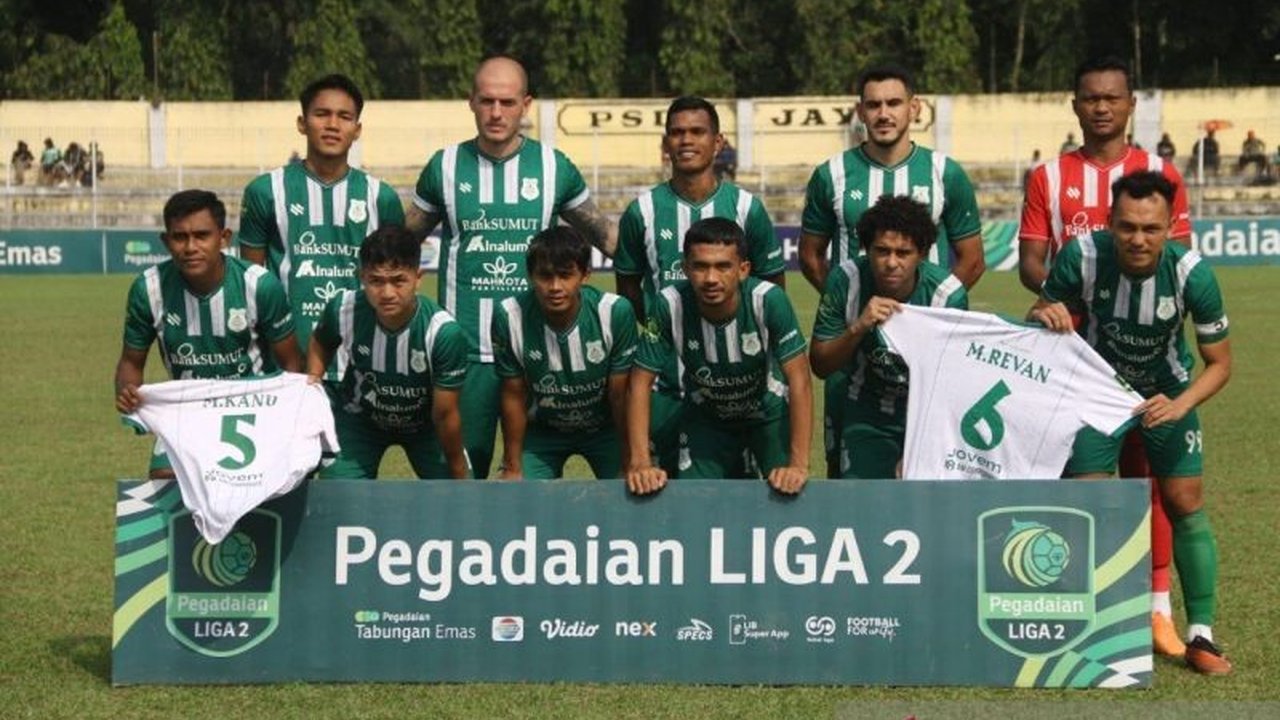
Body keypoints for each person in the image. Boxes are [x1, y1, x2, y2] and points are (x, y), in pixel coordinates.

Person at [1018, 55, 1192, 659]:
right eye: (1090, 97)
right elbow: (1031, 262)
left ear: (1130, 104)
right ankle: (1085, 604)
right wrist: (1067, 293)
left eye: (1112, 98)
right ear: (1075, 104)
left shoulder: (1160, 173)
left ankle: (1158, 610)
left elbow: (1178, 263)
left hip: (1146, 360)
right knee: (1081, 480)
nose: (1101, 107)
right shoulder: (1048, 177)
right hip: (1076, 357)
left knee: (1151, 482)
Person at [1028, 171, 1234, 676]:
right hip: (1099, 392)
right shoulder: (1081, 256)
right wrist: (1046, 314)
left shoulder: (1192, 275)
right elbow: (1039, 311)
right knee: (1087, 502)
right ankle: (1089, 625)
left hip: (1167, 394)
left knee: (1184, 502)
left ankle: (1201, 635)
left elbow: (1220, 364)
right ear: (1110, 223)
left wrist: (1181, 405)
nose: (1138, 239)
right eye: (1127, 227)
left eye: (1151, 228)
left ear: (1170, 228)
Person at [404, 55, 617, 479]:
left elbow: (606, 237)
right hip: (465, 354)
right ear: (471, 102)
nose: (496, 112)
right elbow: (400, 246)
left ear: (526, 104)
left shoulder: (554, 167)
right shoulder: (444, 166)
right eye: (487, 101)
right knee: (460, 479)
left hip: (539, 354)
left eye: (507, 102)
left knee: (531, 477)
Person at [798, 62, 984, 480]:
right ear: (860, 111)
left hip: (925, 347)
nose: (884, 114)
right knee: (846, 468)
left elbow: (972, 259)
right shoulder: (831, 175)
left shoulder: (945, 173)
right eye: (874, 105)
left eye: (894, 103)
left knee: (927, 465)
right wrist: (846, 307)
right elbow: (810, 256)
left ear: (914, 108)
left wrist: (924, 314)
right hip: (853, 346)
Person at [615, 96, 785, 476]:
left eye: (697, 132)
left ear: (718, 142)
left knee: (751, 488)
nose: (686, 140)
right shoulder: (642, 212)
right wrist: (668, 330)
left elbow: (772, 290)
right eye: (677, 133)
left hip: (739, 389)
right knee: (665, 490)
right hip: (667, 386)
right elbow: (628, 289)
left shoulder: (747, 208)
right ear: (666, 143)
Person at [114, 190, 301, 478]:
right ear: (166, 241)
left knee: (259, 484)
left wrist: (288, 421)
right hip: (186, 410)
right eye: (180, 237)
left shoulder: (258, 285)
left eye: (202, 235)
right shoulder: (149, 289)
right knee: (164, 479)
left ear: (224, 238)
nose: (191, 247)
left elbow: (292, 365)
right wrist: (128, 393)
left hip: (254, 408)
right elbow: (131, 362)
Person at [626, 217, 812, 496]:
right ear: (685, 269)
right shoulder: (668, 304)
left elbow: (799, 379)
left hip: (767, 411)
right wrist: (640, 462)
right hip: (706, 416)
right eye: (700, 266)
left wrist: (798, 464)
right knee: (695, 501)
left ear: (743, 270)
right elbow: (639, 382)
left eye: (723, 266)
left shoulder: (769, 300)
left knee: (789, 494)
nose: (711, 279)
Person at [239, 73, 404, 382]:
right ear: (302, 123)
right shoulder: (265, 191)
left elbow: (396, 284)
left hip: (361, 365)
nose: (332, 124)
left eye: (344, 117)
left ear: (357, 130)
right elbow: (250, 282)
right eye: (322, 114)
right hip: (286, 367)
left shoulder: (381, 198)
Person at [809, 195, 967, 479]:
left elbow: (952, 385)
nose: (891, 262)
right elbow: (820, 365)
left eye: (903, 253)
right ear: (866, 249)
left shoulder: (947, 296)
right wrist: (858, 327)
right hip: (865, 408)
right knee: (859, 495)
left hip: (925, 415)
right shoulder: (845, 281)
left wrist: (919, 448)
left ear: (922, 253)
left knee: (921, 499)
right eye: (882, 251)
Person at [307, 225, 470, 480]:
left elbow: (445, 413)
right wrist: (314, 379)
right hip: (360, 420)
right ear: (362, 277)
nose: (387, 293)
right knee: (337, 492)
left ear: (418, 278)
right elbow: (321, 341)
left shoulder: (442, 332)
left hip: (425, 427)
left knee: (456, 490)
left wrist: (459, 475)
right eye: (376, 281)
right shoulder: (343, 309)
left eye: (398, 281)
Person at [492, 226, 637, 480]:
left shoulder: (615, 312)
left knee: (631, 488)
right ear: (530, 275)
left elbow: (620, 395)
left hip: (605, 430)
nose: (555, 286)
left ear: (585, 275)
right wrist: (512, 466)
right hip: (542, 431)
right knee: (518, 493)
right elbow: (514, 394)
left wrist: (630, 460)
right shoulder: (509, 315)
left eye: (565, 275)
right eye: (545, 276)